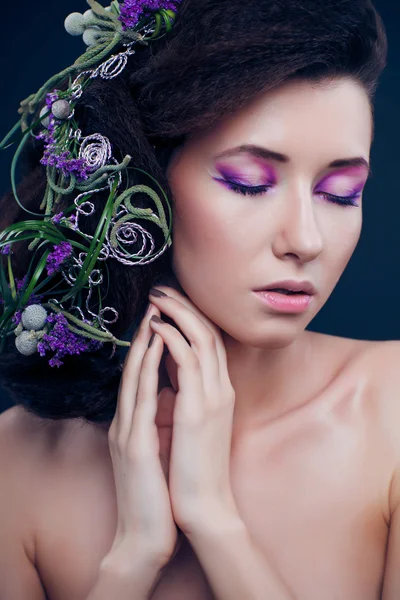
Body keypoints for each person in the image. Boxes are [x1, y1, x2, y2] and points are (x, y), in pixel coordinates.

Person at [0, 0, 396, 598]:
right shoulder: (18, 464)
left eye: (341, 193)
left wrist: (216, 523)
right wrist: (131, 560)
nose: (305, 240)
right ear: (144, 180)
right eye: (248, 183)